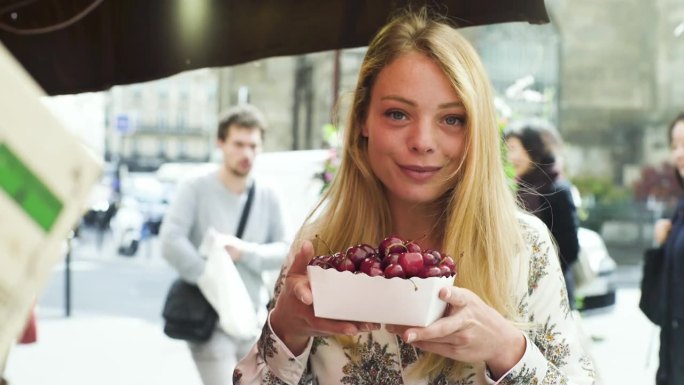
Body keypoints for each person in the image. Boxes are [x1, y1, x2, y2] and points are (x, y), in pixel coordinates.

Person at [233, 8, 595, 385]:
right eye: (397, 114)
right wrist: (286, 331)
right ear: (361, 121)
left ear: (478, 132)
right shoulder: (318, 251)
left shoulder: (523, 248)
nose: (422, 142)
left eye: (452, 119)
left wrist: (507, 350)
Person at [159, 104, 289, 385]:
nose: (246, 153)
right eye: (239, 144)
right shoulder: (195, 186)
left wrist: (245, 252)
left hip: (253, 322)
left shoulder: (268, 193)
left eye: (253, 146)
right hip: (210, 321)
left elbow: (285, 249)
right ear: (221, 143)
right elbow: (170, 240)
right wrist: (210, 277)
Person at [504, 122, 580, 309]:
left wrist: (538, 276)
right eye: (507, 150)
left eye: (514, 148)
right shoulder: (520, 189)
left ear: (532, 149)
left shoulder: (557, 191)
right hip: (520, 295)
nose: (510, 157)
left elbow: (569, 250)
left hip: (551, 296)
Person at [653, 112, 684, 385]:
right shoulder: (680, 208)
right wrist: (662, 244)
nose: (679, 154)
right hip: (674, 346)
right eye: (675, 145)